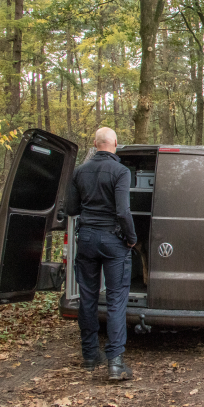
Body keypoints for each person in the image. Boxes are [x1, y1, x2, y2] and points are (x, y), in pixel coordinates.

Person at [66, 127, 136, 380]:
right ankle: (115, 363)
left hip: (86, 239)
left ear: (95, 144)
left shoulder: (79, 172)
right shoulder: (121, 172)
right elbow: (122, 211)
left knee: (88, 297)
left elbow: (71, 208)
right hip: (113, 241)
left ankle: (89, 356)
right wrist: (131, 238)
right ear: (115, 143)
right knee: (117, 300)